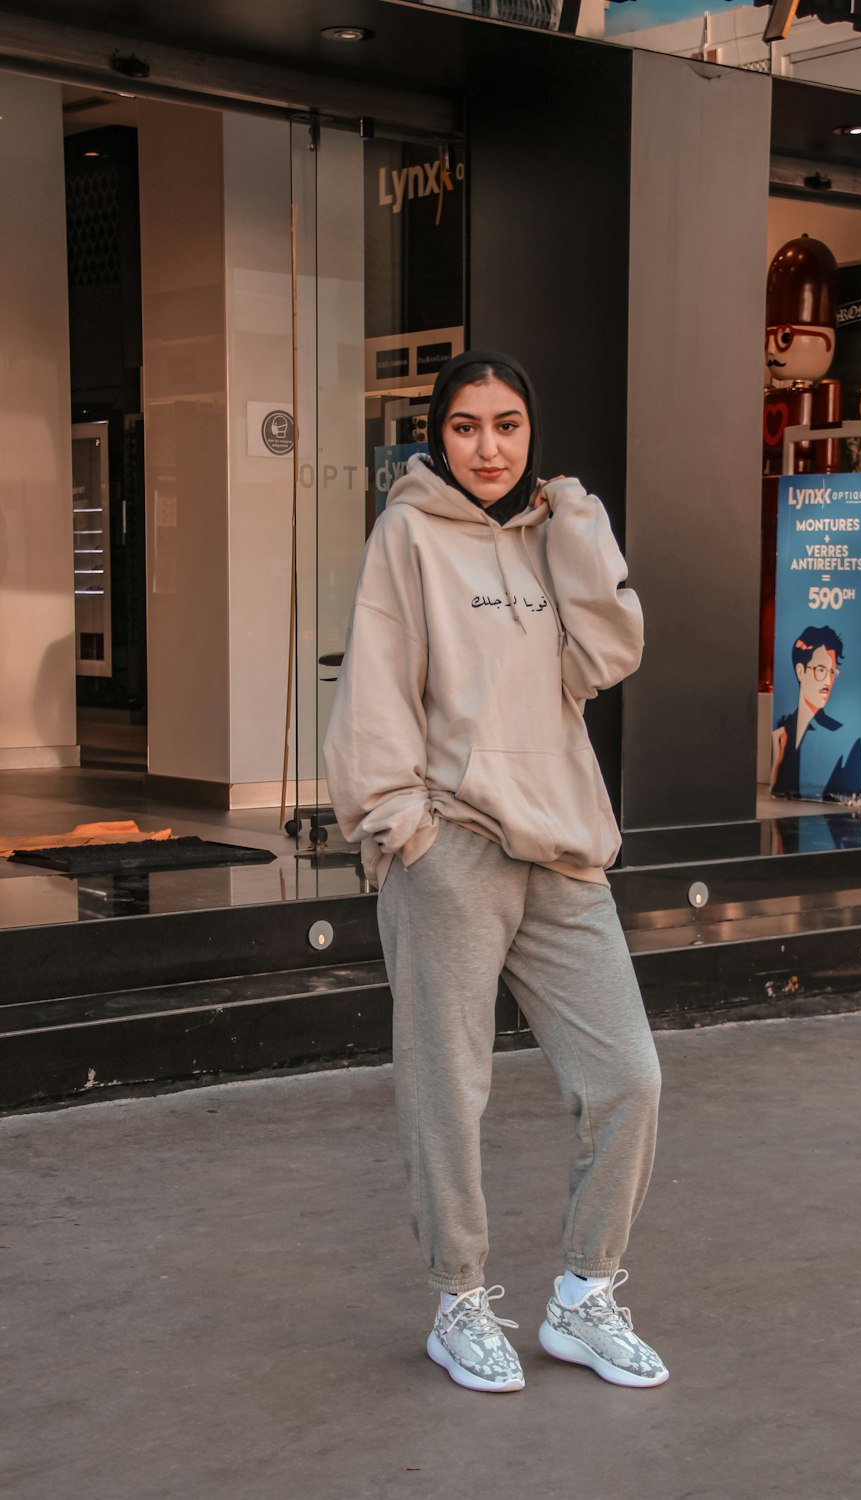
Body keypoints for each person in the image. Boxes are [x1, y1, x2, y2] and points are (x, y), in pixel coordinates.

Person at [323, 349, 667, 1394]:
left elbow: (605, 657)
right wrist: (398, 827)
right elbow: (376, 684)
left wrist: (578, 524)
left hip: (562, 847)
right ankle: (459, 1300)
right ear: (439, 432)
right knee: (449, 1091)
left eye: (507, 425)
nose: (488, 446)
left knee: (628, 1078)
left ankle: (583, 1295)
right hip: (453, 846)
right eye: (466, 425)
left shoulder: (546, 536)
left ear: (531, 434)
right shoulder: (408, 535)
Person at [770, 625, 861, 800]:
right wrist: (776, 765)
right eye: (821, 670)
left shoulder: (844, 738)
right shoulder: (782, 729)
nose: (828, 681)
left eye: (832, 672)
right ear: (800, 671)